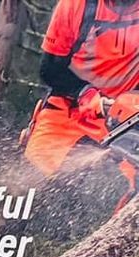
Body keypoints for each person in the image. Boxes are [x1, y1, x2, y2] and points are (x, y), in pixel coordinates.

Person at [25, 0, 139, 199]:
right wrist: (85, 92)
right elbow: (50, 68)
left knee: (127, 193)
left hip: (121, 119)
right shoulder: (76, 5)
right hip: (66, 109)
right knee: (34, 183)